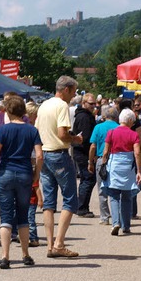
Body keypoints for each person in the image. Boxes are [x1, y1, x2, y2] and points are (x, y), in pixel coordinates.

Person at [0, 96, 43, 269]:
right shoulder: (31, 130)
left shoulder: (3, 130)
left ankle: (5, 256)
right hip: (24, 173)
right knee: (23, 214)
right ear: (24, 111)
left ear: (8, 111)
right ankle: (25, 254)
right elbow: (39, 155)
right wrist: (36, 175)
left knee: (5, 215)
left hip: (6, 172)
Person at [35, 75, 83, 258]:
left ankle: (49, 244)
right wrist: (75, 139)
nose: (73, 95)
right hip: (58, 154)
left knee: (48, 202)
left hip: (45, 153)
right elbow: (63, 134)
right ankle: (59, 243)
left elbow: (37, 130)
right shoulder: (62, 106)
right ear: (66, 90)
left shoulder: (44, 105)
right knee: (71, 199)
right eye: (73, 91)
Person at [100, 108, 141, 236]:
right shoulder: (133, 134)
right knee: (126, 197)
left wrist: (103, 164)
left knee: (113, 196)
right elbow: (137, 152)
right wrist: (139, 170)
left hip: (114, 165)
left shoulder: (111, 132)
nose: (133, 124)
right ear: (129, 121)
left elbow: (106, 151)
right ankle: (126, 225)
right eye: (133, 122)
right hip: (128, 166)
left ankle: (115, 222)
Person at [88, 106, 119, 225]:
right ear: (116, 116)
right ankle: (117, 216)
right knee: (116, 188)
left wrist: (90, 161)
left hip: (102, 160)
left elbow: (93, 146)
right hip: (116, 159)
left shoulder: (98, 127)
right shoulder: (119, 128)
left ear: (104, 116)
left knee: (102, 189)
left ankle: (104, 217)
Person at [72, 92, 98, 218]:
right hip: (83, 151)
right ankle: (82, 207)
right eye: (91, 104)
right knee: (88, 179)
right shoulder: (84, 117)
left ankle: (82, 206)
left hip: (81, 151)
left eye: (94, 103)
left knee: (86, 179)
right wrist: (91, 157)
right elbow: (86, 137)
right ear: (83, 103)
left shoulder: (86, 115)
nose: (94, 106)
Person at [25, 101, 42, 247]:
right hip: (28, 166)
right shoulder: (31, 130)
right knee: (30, 215)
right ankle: (31, 236)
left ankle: (23, 235)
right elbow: (37, 155)